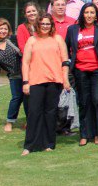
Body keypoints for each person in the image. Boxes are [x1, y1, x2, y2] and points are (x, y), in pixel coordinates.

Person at [20, 14, 70, 155]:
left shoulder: (58, 39)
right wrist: (25, 81)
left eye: (48, 24)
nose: (45, 26)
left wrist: (65, 79)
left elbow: (65, 61)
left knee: (50, 113)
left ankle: (49, 143)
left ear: (51, 25)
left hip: (54, 81)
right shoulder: (32, 40)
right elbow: (25, 62)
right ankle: (30, 145)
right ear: (38, 25)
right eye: (43, 24)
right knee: (34, 112)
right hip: (36, 81)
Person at [65, 3, 98, 146]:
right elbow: (66, 48)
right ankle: (84, 134)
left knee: (97, 101)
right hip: (80, 70)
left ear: (96, 15)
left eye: (92, 12)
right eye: (86, 12)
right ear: (82, 14)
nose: (89, 15)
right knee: (84, 102)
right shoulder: (73, 29)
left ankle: (97, 133)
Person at [0, 18, 24, 133]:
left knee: (28, 98)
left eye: (5, 29)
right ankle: (9, 122)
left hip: (26, 72)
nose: (3, 31)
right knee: (16, 98)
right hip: (13, 75)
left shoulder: (14, 40)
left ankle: (30, 121)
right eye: (1, 28)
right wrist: (0, 71)